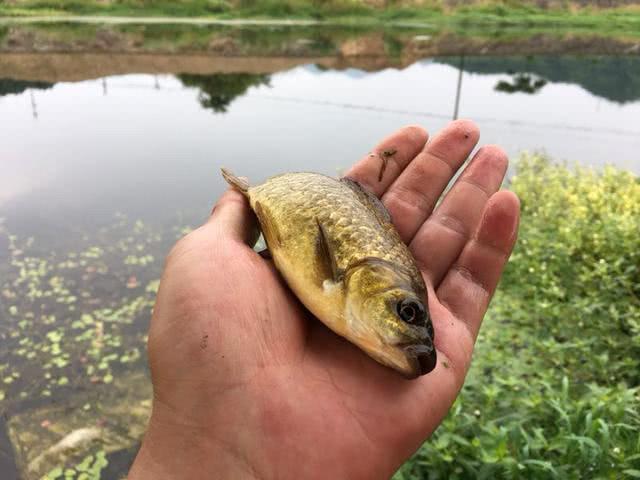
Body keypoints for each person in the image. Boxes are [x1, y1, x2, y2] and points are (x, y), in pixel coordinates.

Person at [128, 120, 520, 479]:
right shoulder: (339, 288)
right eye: (407, 311)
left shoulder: (359, 307)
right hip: (297, 198)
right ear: (363, 276)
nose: (414, 335)